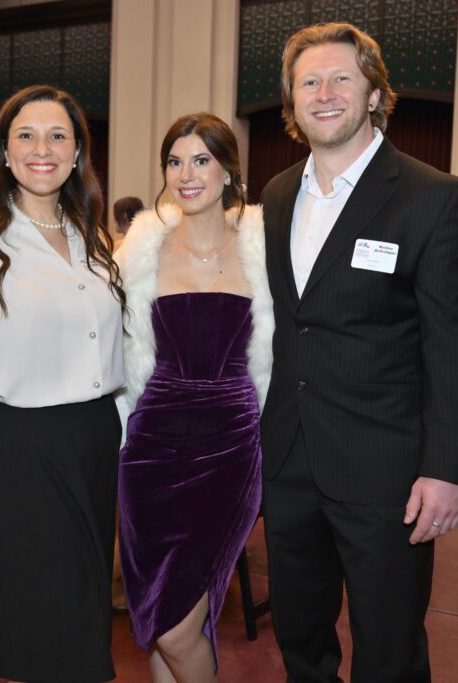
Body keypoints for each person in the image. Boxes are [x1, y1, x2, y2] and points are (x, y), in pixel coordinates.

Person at [259, 23, 458, 682]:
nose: (324, 93)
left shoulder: (434, 197)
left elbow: (457, 345)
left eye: (341, 79)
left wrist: (446, 468)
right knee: (300, 637)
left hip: (387, 472)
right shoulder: (276, 197)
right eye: (309, 82)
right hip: (292, 462)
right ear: (292, 101)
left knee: (388, 648)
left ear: (374, 93)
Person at [0, 84, 124, 682]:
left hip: (92, 442)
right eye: (26, 135)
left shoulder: (92, 238)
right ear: (4, 152)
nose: (43, 148)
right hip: (18, 451)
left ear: (78, 152)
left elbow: (112, 349)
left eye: (58, 135)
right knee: (37, 627)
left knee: (86, 618)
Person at [115, 113, 272, 682]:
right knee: (160, 615)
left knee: (180, 623)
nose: (186, 174)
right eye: (175, 161)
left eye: (201, 160)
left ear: (229, 171)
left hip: (231, 448)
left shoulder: (263, 251)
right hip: (151, 449)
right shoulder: (138, 255)